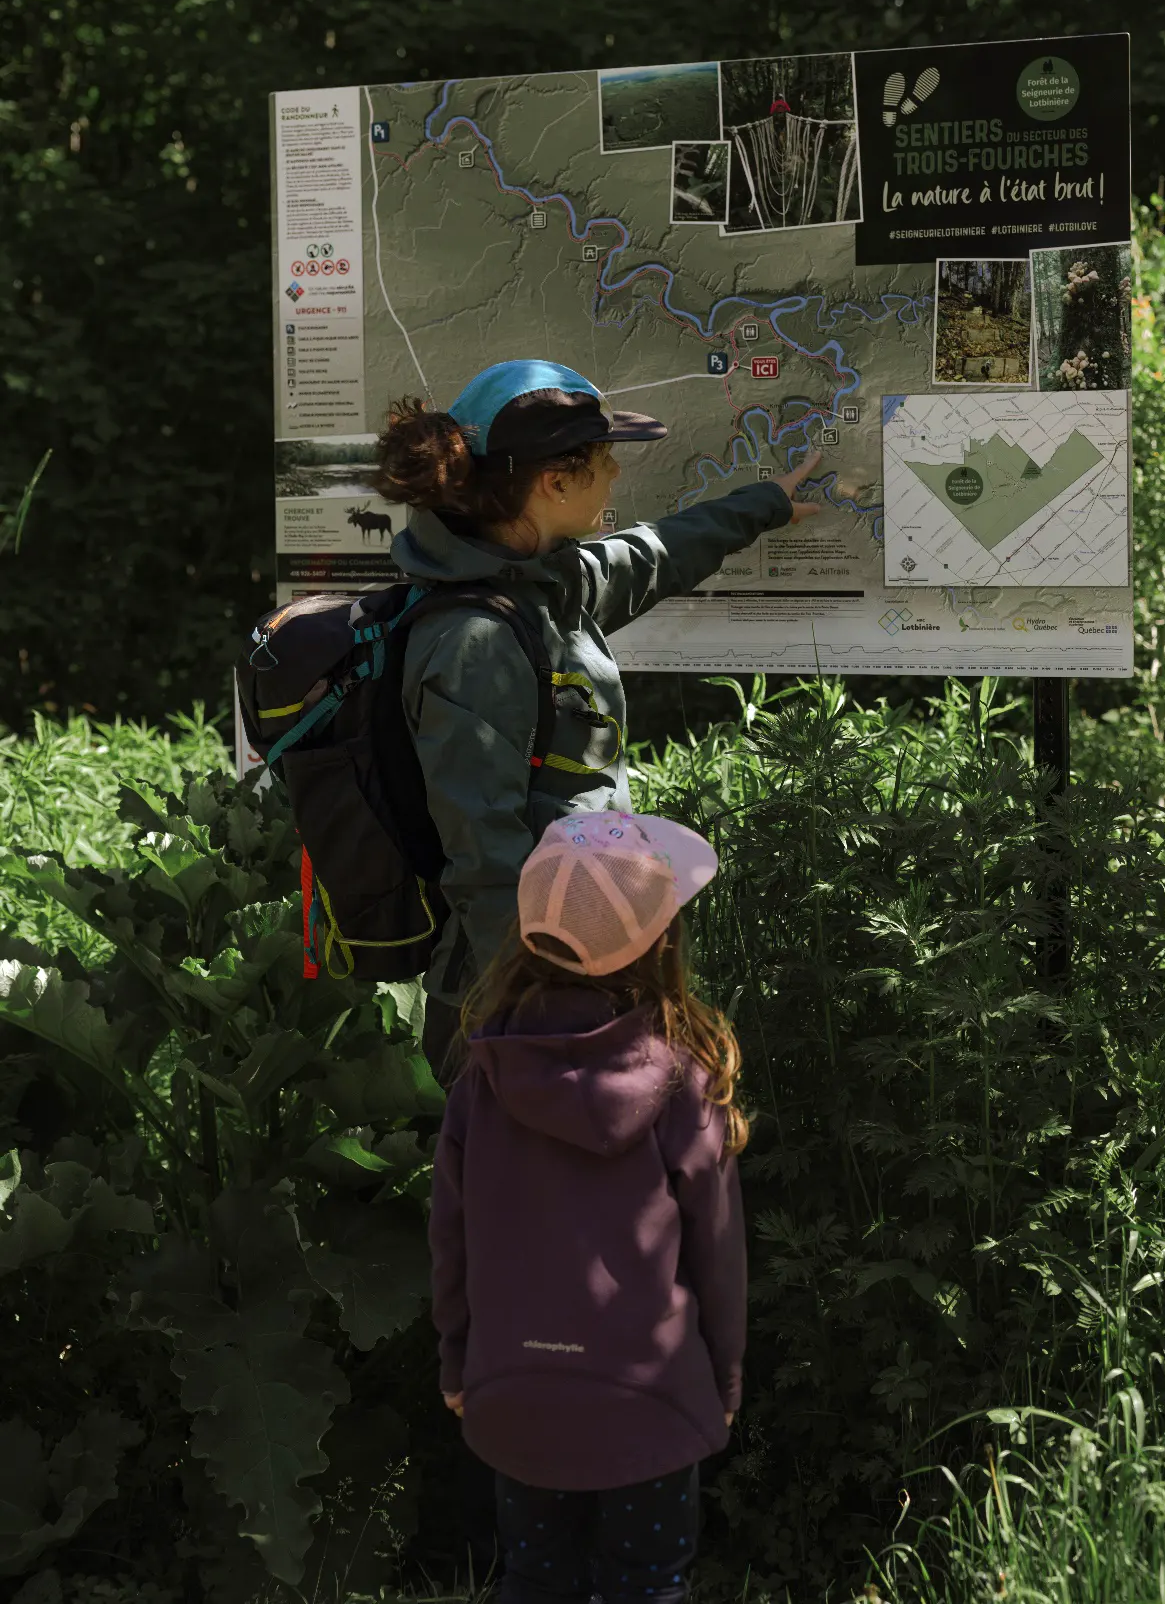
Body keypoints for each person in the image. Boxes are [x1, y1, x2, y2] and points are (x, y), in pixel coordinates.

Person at [372, 357, 819, 1064]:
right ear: (554, 482)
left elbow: (648, 557)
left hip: (580, 960)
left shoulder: (540, 583)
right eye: (605, 459)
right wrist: (540, 1019)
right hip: (519, 1002)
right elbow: (483, 857)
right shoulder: (475, 641)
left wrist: (765, 504)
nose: (616, 475)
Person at [429, 809, 746, 1604]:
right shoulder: (684, 1080)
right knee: (645, 1584)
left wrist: (456, 1358)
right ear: (662, 940)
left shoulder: (482, 1078)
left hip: (514, 1391)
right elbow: (717, 1251)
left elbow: (450, 1239)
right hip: (651, 1400)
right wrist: (726, 1378)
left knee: (536, 1580)